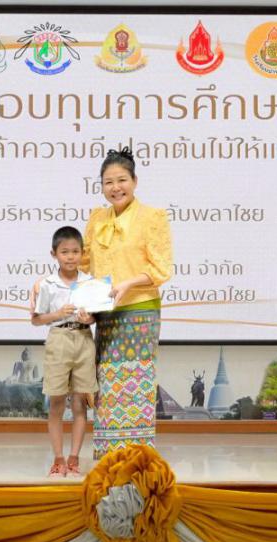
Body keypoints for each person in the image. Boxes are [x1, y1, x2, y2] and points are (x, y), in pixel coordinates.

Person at [81, 147, 172, 459]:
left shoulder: (153, 217)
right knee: (106, 387)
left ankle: (136, 459)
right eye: (108, 182)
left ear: (134, 181)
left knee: (136, 386)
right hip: (105, 314)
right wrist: (83, 302)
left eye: (122, 180)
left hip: (139, 311)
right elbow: (85, 266)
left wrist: (128, 283)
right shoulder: (97, 218)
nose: (115, 187)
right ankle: (109, 460)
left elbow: (161, 269)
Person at [31, 226, 98, 478]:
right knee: (57, 402)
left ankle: (74, 458)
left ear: (82, 253)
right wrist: (58, 314)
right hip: (58, 339)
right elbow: (36, 319)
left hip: (84, 339)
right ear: (54, 254)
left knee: (80, 403)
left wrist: (89, 318)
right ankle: (58, 459)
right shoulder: (47, 285)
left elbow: (95, 316)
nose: (70, 257)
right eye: (64, 252)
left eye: (75, 252)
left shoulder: (90, 282)